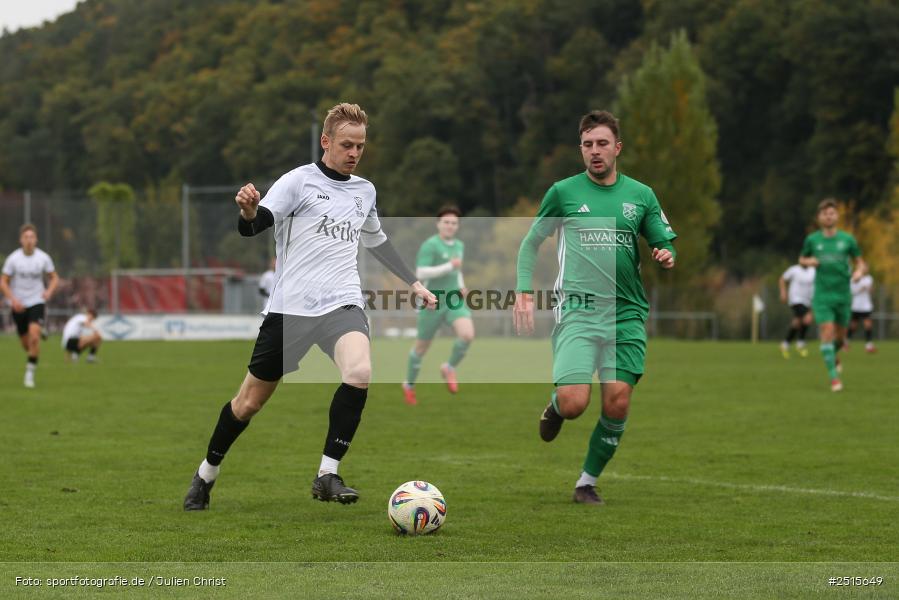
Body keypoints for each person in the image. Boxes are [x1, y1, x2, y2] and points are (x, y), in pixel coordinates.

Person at [183, 103, 436, 511]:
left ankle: (327, 474)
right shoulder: (298, 182)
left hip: (342, 303)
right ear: (326, 142)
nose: (354, 153)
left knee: (360, 372)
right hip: (292, 310)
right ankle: (205, 474)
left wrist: (415, 283)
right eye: (347, 144)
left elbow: (377, 242)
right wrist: (248, 211)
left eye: (361, 146)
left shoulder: (365, 191)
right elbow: (257, 222)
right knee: (247, 403)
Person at [514, 110, 676, 505]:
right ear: (581, 150)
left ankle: (586, 482)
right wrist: (524, 292)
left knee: (617, 400)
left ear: (617, 148)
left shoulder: (641, 195)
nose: (594, 151)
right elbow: (531, 243)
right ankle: (555, 407)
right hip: (579, 310)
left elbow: (662, 239)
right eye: (587, 145)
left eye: (602, 143)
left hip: (626, 313)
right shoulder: (563, 193)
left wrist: (665, 252)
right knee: (574, 403)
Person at [402, 206, 474, 405]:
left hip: (453, 300)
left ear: (457, 226)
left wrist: (461, 286)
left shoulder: (459, 245)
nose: (450, 226)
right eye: (446, 222)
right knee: (421, 348)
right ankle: (409, 385)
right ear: (438, 224)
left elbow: (457, 271)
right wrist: (449, 266)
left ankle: (449, 368)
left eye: (454, 223)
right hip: (431, 300)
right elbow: (421, 273)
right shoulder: (430, 245)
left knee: (467, 335)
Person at [798, 199, 866, 392]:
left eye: (832, 213)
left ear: (837, 216)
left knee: (841, 339)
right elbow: (801, 259)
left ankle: (833, 354)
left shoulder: (848, 240)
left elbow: (860, 262)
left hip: (843, 296)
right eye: (825, 213)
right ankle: (834, 378)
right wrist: (809, 261)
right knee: (826, 332)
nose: (829, 216)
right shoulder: (812, 240)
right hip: (822, 296)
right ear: (819, 217)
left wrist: (860, 271)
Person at [1, 224, 59, 388]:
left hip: (36, 301)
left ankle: (29, 373)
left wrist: (49, 291)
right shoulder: (13, 259)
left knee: (34, 338)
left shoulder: (43, 258)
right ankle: (39, 333)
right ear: (21, 240)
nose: (29, 240)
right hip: (18, 304)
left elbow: (54, 278)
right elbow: (3, 282)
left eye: (32, 237)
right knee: (26, 344)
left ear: (36, 239)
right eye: (26, 237)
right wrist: (13, 299)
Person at [778, 263, 815, 358]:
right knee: (808, 318)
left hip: (807, 300)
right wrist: (783, 292)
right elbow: (782, 279)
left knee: (797, 322)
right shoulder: (794, 269)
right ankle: (800, 342)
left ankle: (785, 344)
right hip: (795, 299)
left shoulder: (813, 271)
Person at [848, 272, 876, 353]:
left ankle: (869, 345)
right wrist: (861, 288)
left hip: (866, 307)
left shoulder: (869, 278)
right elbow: (852, 292)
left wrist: (870, 289)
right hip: (855, 306)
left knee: (868, 325)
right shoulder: (852, 280)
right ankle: (846, 342)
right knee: (853, 327)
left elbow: (871, 290)